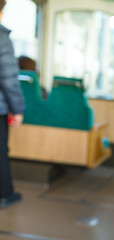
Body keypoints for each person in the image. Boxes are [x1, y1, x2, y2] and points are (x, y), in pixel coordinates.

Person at [0, 0, 25, 208]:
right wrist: (17, 109)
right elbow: (8, 77)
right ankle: (5, 194)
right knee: (0, 150)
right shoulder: (1, 38)